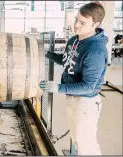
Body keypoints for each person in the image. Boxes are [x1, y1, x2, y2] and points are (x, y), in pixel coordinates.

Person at [39, 2, 108, 155]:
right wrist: (48, 54)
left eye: (82, 23)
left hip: (86, 103)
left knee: (87, 146)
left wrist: (58, 87)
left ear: (95, 24)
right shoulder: (75, 40)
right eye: (76, 19)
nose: (76, 25)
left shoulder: (95, 50)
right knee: (77, 140)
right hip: (72, 98)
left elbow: (88, 86)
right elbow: (66, 60)